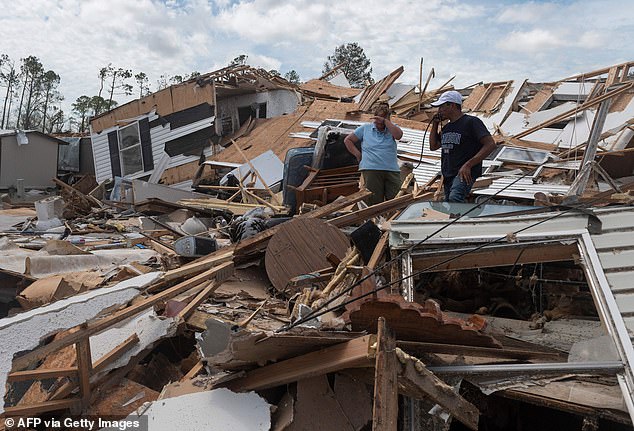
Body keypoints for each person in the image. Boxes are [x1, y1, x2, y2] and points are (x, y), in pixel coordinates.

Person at [429, 90, 496, 202]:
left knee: (455, 198)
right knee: (450, 203)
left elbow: (490, 144)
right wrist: (435, 124)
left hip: (463, 173)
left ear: (452, 105)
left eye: (441, 107)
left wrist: (469, 165)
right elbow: (433, 146)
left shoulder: (471, 122)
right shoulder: (447, 128)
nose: (439, 110)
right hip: (448, 173)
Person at [344, 103, 404, 205]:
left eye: (382, 122)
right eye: (377, 121)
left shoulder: (392, 128)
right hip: (372, 169)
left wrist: (385, 122)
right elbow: (348, 140)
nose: (379, 124)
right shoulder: (366, 129)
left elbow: (398, 135)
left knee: (396, 200)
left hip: (391, 169)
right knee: (373, 200)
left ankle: (391, 219)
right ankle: (373, 220)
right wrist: (358, 155)